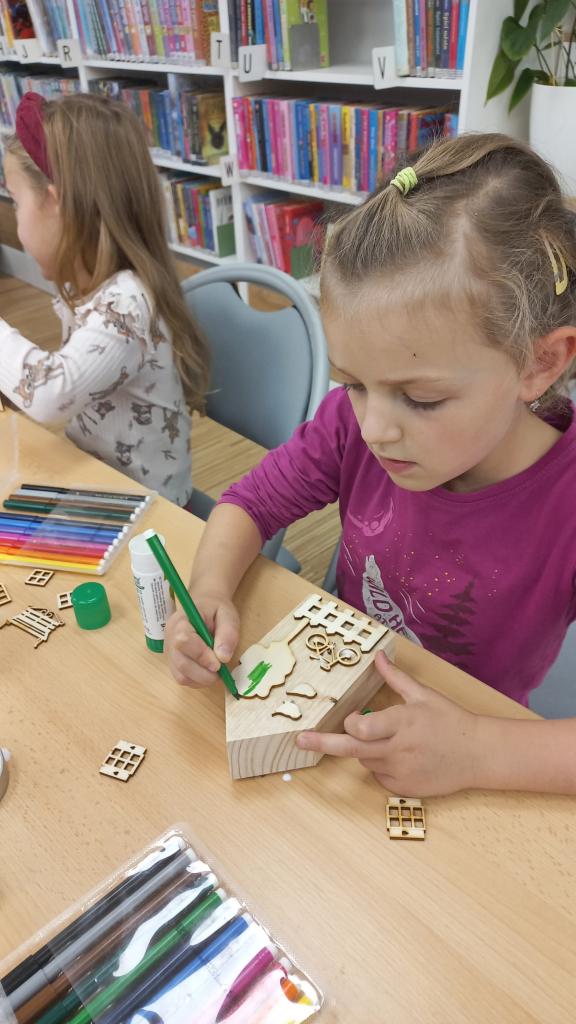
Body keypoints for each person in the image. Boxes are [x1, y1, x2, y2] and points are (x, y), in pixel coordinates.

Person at [165, 133, 576, 796]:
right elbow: (250, 503)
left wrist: (479, 752)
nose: (375, 428)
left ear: (540, 362)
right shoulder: (351, 425)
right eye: (353, 383)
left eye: (421, 399)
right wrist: (208, 589)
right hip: (338, 718)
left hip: (472, 758)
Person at [0, 91, 209, 506]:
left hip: (151, 515)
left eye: (16, 203)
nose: (15, 221)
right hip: (102, 489)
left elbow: (52, 393)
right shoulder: (98, 288)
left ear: (56, 204)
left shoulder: (127, 303)